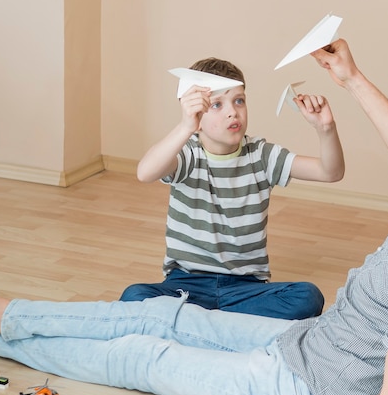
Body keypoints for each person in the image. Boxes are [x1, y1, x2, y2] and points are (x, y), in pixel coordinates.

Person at [0, 39, 388, 395]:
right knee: (155, 316)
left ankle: (0, 330)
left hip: (297, 392)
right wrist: (349, 78)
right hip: (306, 346)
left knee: (143, 354)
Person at [119, 57, 345, 320]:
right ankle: (232, 326)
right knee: (133, 296)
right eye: (217, 104)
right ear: (196, 116)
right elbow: (145, 172)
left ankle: (201, 324)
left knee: (307, 297)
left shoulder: (261, 155)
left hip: (245, 288)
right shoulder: (188, 154)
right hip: (187, 284)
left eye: (239, 100)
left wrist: (326, 129)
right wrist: (184, 126)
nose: (232, 112)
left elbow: (331, 172)